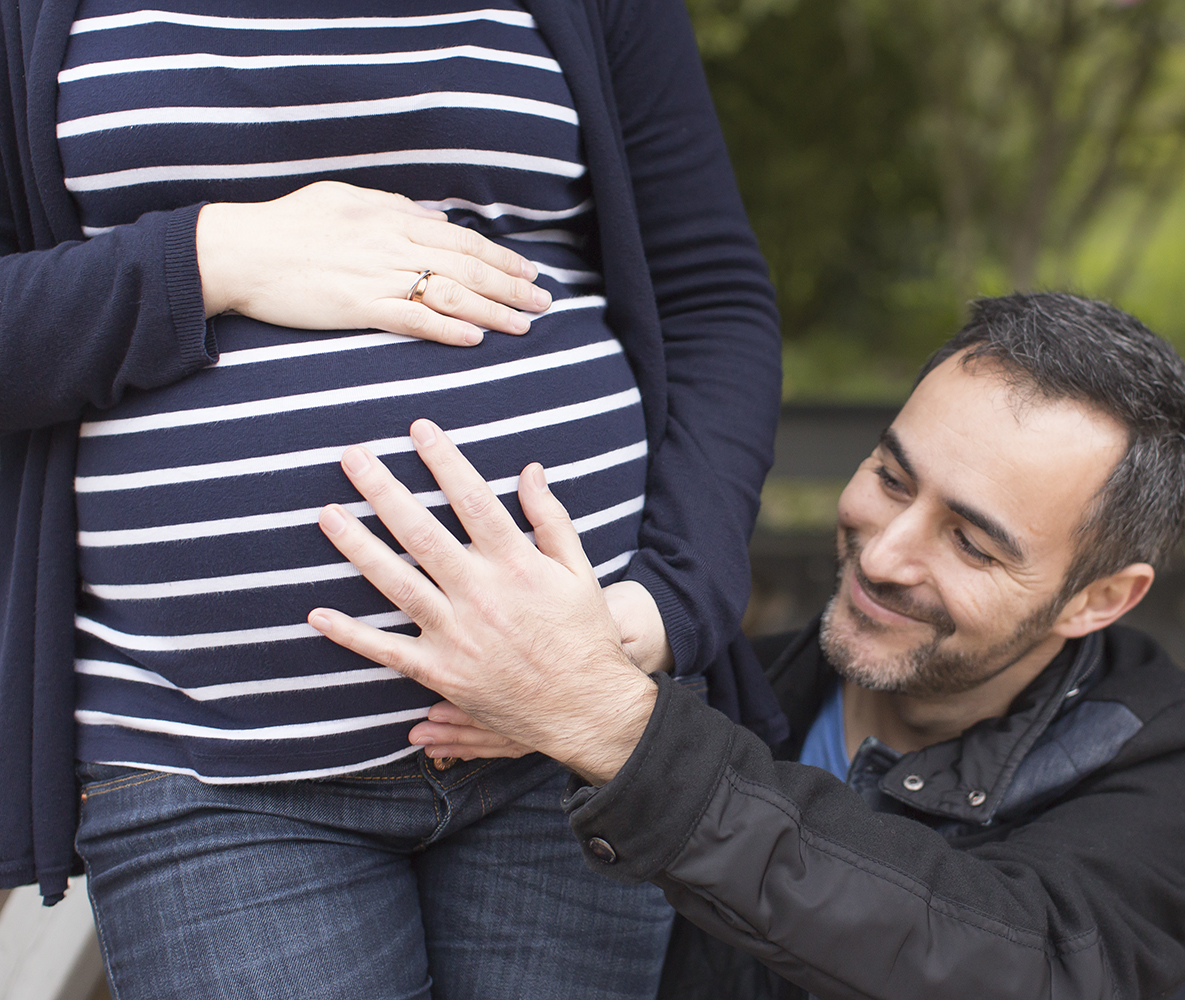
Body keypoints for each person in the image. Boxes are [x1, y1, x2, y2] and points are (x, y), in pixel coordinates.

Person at [0, 1, 781, 997]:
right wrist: (210, 259)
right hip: (209, 759)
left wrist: (665, 607)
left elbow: (714, 296)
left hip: (571, 743)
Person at [309, 293, 1185, 1000]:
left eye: (973, 542)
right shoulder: (731, 691)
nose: (884, 553)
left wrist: (616, 729)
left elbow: (1022, 968)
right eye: (892, 479)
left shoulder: (1182, 759)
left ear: (1098, 599)